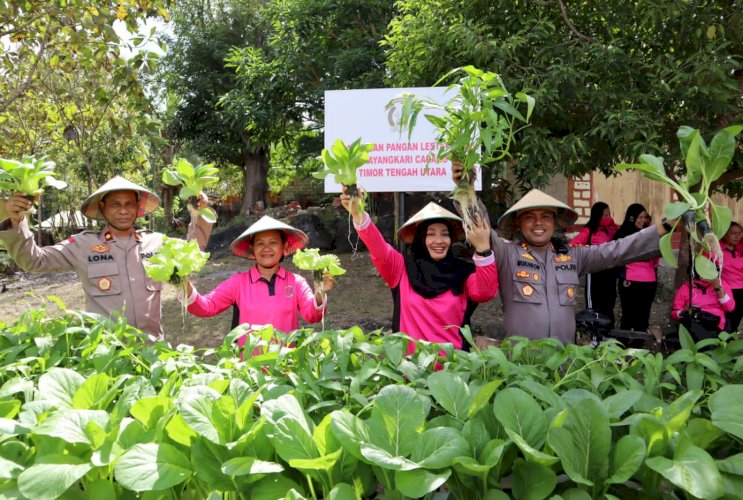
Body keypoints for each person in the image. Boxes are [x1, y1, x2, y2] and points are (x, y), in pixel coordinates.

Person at [451, 161, 672, 344]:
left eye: (545, 216)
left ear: (555, 222)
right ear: (518, 224)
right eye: (530, 217)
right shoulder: (507, 254)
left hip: (563, 366)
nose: (538, 223)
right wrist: (466, 190)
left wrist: (665, 227)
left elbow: (617, 250)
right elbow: (480, 228)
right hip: (521, 366)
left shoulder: (573, 257)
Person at [0, 176, 213, 337]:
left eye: (129, 204)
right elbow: (34, 261)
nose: (123, 210)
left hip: (152, 349)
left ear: (138, 207)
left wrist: (199, 215)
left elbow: (190, 254)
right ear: (103, 208)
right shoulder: (83, 245)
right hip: (106, 351)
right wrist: (16, 221)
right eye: (115, 204)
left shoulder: (156, 242)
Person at [340, 190, 497, 351]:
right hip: (411, 370)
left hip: (454, 369)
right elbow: (379, 249)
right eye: (430, 234)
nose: (439, 241)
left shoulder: (464, 273)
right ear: (421, 238)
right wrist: (358, 214)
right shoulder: (401, 269)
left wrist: (483, 249)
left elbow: (486, 292)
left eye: (445, 234)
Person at [184, 216, 335, 347]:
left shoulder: (296, 282)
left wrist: (320, 293)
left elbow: (313, 316)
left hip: (285, 368)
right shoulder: (238, 283)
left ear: (284, 247)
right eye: (260, 243)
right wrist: (183, 282)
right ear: (252, 248)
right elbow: (205, 307)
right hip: (249, 371)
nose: (266, 249)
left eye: (273, 242)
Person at [612, 204, 659, 332]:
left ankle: (638, 346)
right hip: (630, 279)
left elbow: (656, 257)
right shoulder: (623, 234)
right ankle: (626, 344)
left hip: (648, 281)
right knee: (628, 314)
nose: (642, 220)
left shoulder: (648, 234)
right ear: (631, 217)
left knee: (643, 315)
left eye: (644, 217)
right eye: (640, 217)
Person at [569, 201, 619, 320]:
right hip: (594, 271)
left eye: (609, 214)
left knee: (610, 300)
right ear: (597, 216)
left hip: (610, 271)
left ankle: (607, 328)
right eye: (605, 215)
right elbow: (573, 245)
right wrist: (588, 252)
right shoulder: (589, 231)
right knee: (594, 302)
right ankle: (595, 331)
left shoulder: (613, 229)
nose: (609, 218)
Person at [672, 274, 735, 339]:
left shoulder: (722, 284)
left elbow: (730, 308)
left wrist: (717, 287)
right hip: (695, 323)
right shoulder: (686, 288)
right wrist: (684, 311)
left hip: (717, 324)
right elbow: (674, 313)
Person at [720, 222, 743, 332]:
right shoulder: (716, 251)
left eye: (739, 233)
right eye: (733, 233)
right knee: (728, 324)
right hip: (726, 292)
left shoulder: (742, 250)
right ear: (724, 234)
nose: (737, 237)